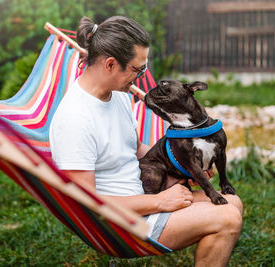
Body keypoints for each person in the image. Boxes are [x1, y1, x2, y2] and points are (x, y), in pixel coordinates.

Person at [49, 16, 243, 267]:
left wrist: (182, 168)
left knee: (234, 202)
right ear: (110, 64)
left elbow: (136, 150)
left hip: (144, 194)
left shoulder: (116, 95)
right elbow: (86, 203)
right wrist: (158, 202)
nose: (141, 77)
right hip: (121, 223)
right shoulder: (75, 119)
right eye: (137, 69)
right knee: (228, 218)